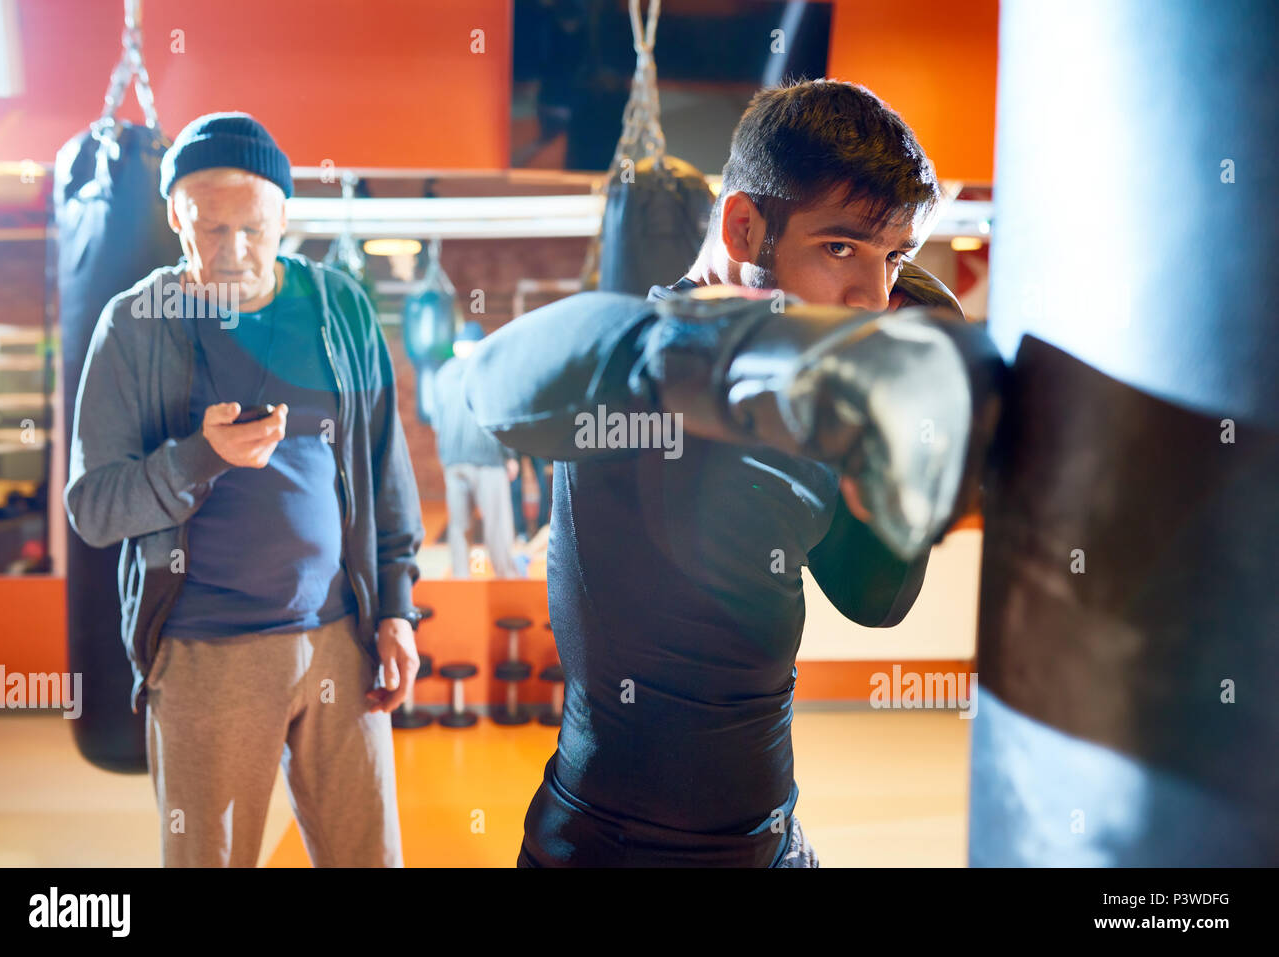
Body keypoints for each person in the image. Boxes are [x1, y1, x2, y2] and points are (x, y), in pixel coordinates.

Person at [464, 79, 1001, 867]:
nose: (872, 295)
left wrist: (904, 451)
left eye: (895, 258)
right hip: (611, 850)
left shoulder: (826, 380)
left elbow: (874, 601)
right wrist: (752, 354)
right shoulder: (630, 378)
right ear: (745, 227)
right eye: (842, 247)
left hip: (770, 842)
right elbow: (492, 383)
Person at [64, 112, 425, 867]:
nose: (233, 252)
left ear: (285, 215)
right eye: (210, 228)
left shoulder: (340, 308)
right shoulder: (133, 325)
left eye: (254, 229)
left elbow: (385, 466)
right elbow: (93, 508)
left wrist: (395, 607)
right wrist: (200, 457)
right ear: (174, 216)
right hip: (206, 654)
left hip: (341, 641)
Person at [430, 347, 521, 578]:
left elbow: (436, 422)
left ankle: (461, 576)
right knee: (497, 525)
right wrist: (510, 455)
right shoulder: (488, 370)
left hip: (454, 460)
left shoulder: (442, 375)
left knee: (459, 525)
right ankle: (506, 575)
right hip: (487, 459)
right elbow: (501, 416)